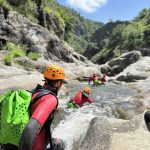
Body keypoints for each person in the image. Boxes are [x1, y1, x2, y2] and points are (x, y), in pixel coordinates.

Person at [17, 64, 66, 150]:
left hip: (15, 140)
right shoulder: (50, 99)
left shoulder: (34, 92)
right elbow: (30, 128)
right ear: (58, 83)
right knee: (61, 143)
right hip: (34, 147)